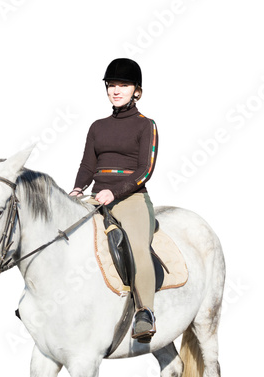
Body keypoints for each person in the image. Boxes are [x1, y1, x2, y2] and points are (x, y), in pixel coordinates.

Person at [69, 58, 158, 342]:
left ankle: (145, 312)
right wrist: (77, 189)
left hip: (131, 198)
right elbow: (87, 165)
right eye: (112, 85)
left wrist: (114, 192)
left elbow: (146, 170)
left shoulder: (146, 126)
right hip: (97, 197)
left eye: (124, 85)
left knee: (138, 247)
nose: (116, 90)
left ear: (137, 91)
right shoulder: (97, 126)